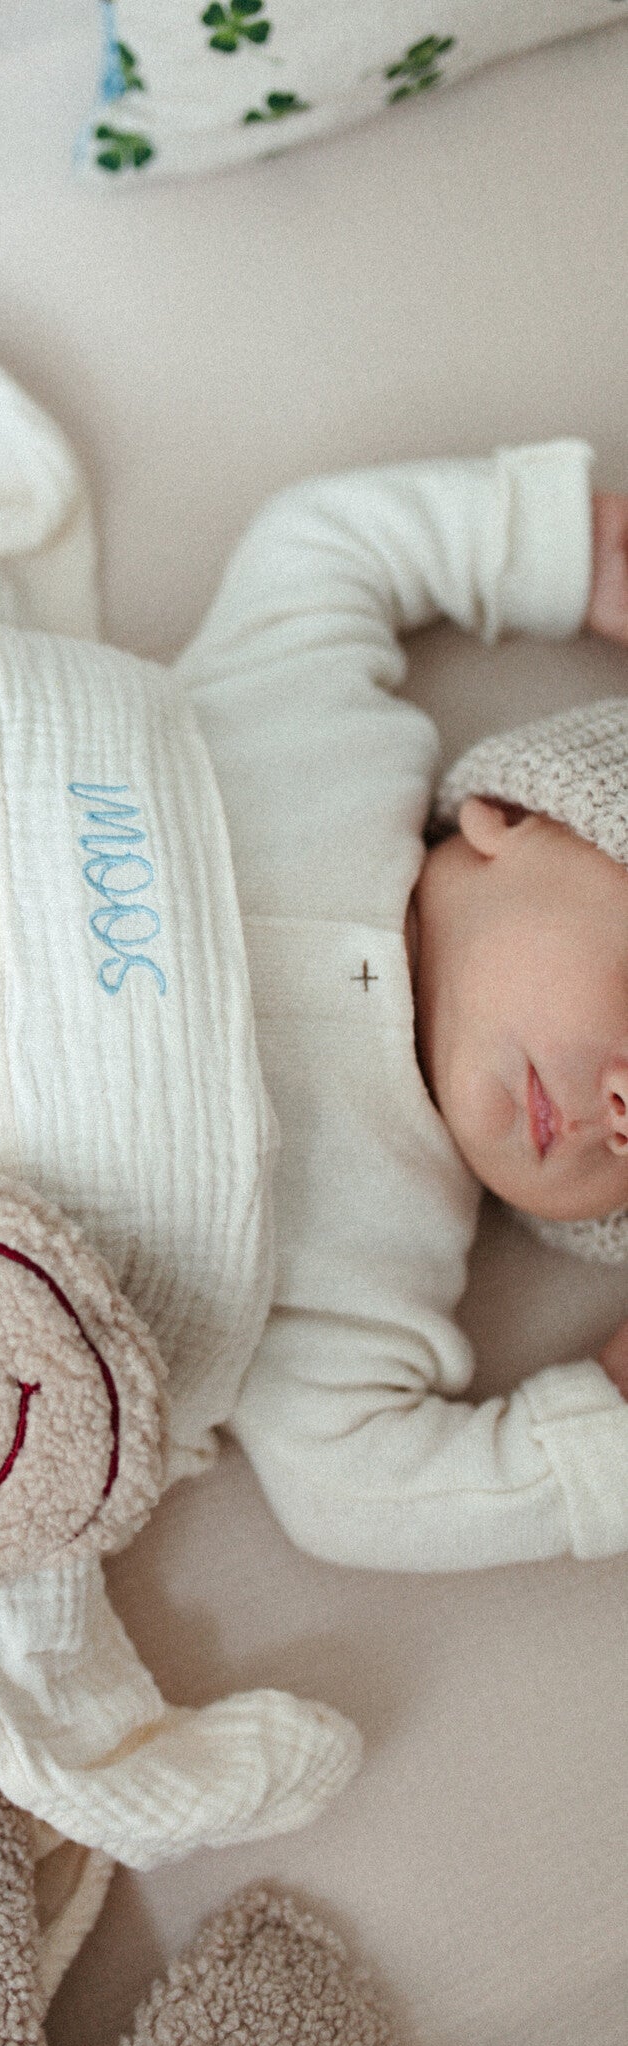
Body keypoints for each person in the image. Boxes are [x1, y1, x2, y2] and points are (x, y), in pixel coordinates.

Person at [172, 440, 628, 1570]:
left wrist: (606, 1435)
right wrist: (567, 551)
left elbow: (355, 1491)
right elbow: (324, 544)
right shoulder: (312, 729)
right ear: (515, 815)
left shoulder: (376, 1260)